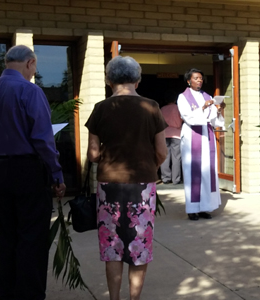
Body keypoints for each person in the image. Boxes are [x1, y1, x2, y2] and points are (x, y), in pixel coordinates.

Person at [85, 56, 167, 300]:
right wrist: (150, 165)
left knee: (112, 246)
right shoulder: (151, 106)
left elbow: (93, 154)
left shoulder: (101, 108)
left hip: (109, 186)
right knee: (139, 246)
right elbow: (162, 152)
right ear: (138, 80)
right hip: (142, 185)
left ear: (109, 81)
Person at [0, 45, 66, 300]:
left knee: (7, 237)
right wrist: (56, 174)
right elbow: (43, 139)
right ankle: (30, 295)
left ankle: (8, 294)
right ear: (30, 63)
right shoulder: (29, 90)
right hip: (28, 171)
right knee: (32, 239)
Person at [177, 68, 225, 221]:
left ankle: (205, 207)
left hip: (206, 136)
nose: (199, 80)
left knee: (206, 173)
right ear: (188, 81)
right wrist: (203, 107)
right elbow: (188, 117)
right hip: (192, 137)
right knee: (193, 173)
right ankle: (192, 209)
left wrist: (218, 110)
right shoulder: (183, 97)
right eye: (196, 78)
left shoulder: (207, 96)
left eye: (201, 78)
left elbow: (213, 120)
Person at [160, 93, 183, 184]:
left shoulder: (162, 109)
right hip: (177, 134)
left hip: (164, 134)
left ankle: (165, 178)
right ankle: (176, 179)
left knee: (165, 156)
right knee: (176, 157)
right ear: (175, 100)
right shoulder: (178, 108)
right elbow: (183, 118)